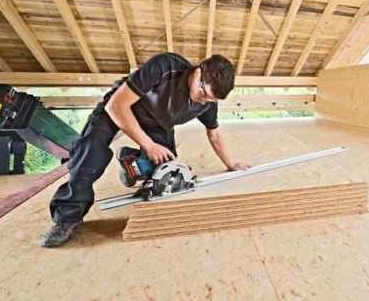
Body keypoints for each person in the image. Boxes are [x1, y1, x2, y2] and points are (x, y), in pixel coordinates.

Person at [40, 53, 250, 247]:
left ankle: (130, 161)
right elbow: (116, 106)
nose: (204, 100)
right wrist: (148, 145)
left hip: (156, 125)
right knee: (89, 156)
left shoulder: (207, 102)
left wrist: (231, 163)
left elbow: (214, 134)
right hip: (118, 110)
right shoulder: (165, 67)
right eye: (203, 93)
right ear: (198, 71)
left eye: (211, 99)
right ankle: (66, 219)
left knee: (166, 172)